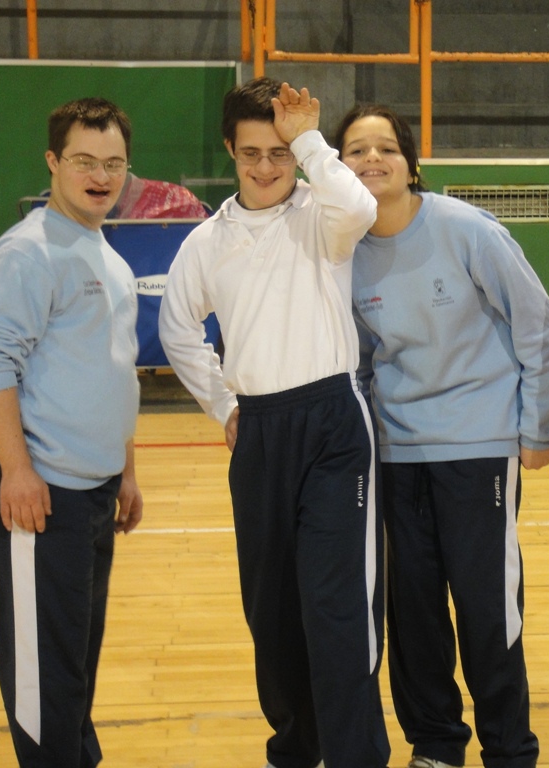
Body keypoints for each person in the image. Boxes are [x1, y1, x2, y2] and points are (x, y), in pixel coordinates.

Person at [157, 78, 389, 768]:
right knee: (272, 606)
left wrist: (311, 139)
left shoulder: (325, 215)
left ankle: (355, 755)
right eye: (251, 153)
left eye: (278, 153)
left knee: (335, 602)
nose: (265, 167)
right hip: (258, 430)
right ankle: (296, 748)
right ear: (230, 151)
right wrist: (225, 406)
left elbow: (362, 201)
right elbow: (176, 330)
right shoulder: (207, 241)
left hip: (333, 424)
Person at [334, 104, 549, 768]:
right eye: (356, 150)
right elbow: (355, 359)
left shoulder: (468, 230)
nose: (372, 159)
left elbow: (538, 328)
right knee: (412, 615)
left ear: (413, 164)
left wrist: (539, 426)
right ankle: (436, 745)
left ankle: (508, 749)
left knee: (488, 611)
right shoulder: (343, 255)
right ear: (336, 167)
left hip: (481, 452)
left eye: (386, 148)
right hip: (396, 457)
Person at [0, 97, 143, 767]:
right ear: (53, 163)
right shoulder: (28, 253)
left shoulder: (103, 253)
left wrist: (124, 469)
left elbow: (113, 370)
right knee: (43, 674)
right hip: (42, 490)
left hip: (94, 491)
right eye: (86, 161)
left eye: (114, 163)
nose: (101, 175)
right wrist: (16, 470)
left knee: (73, 658)